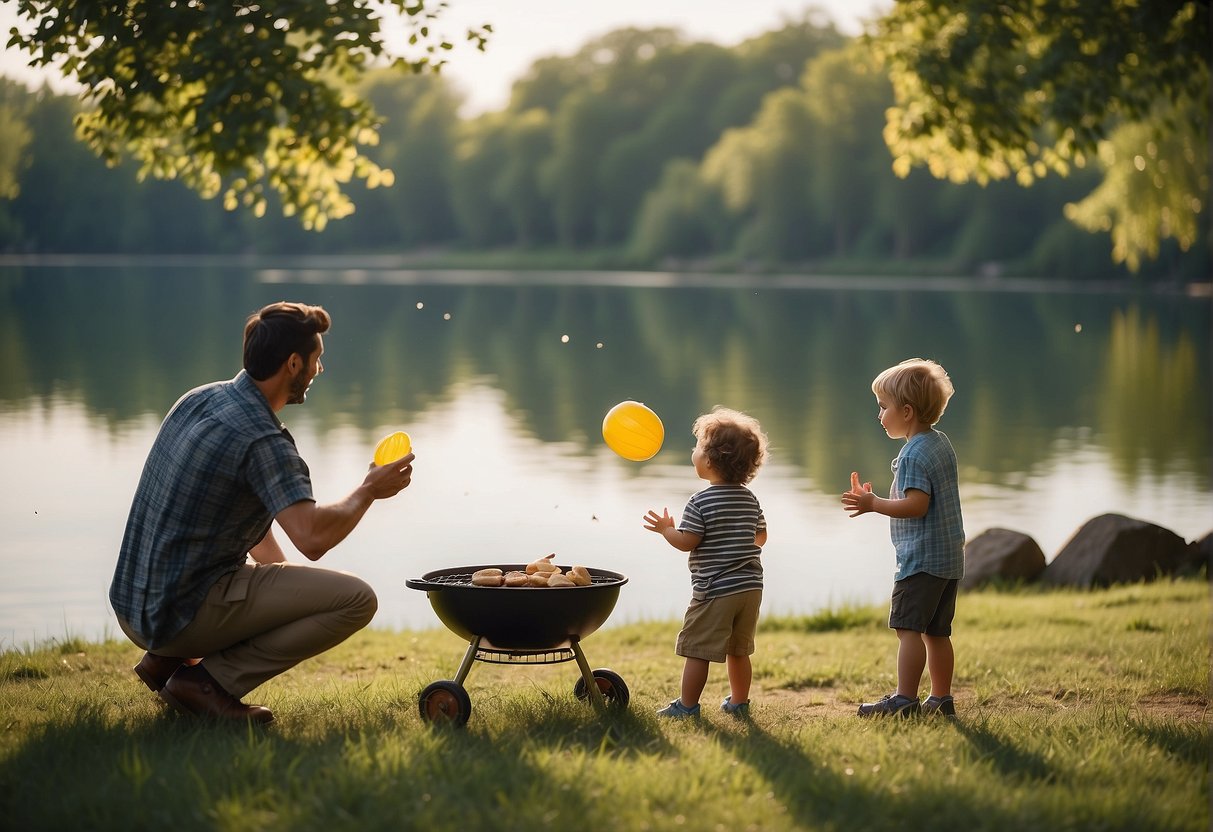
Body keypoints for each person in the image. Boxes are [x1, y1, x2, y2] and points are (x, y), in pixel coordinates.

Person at [110, 301, 416, 724]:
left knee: (283, 584)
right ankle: (205, 685)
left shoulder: (200, 400)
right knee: (356, 599)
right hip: (175, 614)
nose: (319, 370)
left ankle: (163, 662)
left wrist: (285, 596)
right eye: (316, 360)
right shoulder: (264, 440)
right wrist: (368, 490)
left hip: (133, 603)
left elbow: (236, 517)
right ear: (293, 364)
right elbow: (312, 539)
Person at [841, 358, 964, 718]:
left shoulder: (912, 454)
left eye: (883, 407)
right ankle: (941, 699)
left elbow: (916, 505)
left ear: (907, 412)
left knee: (908, 629)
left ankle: (905, 699)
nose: (879, 415)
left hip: (921, 561)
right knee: (937, 633)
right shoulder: (938, 443)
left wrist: (874, 503)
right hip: (949, 559)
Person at [643, 407, 768, 719]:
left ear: (711, 460)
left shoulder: (700, 501)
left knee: (697, 649)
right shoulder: (750, 498)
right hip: (750, 587)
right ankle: (739, 702)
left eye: (697, 447)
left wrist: (667, 530)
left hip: (715, 589)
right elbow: (761, 537)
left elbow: (688, 542)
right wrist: (735, 544)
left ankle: (687, 706)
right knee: (738, 650)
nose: (693, 452)